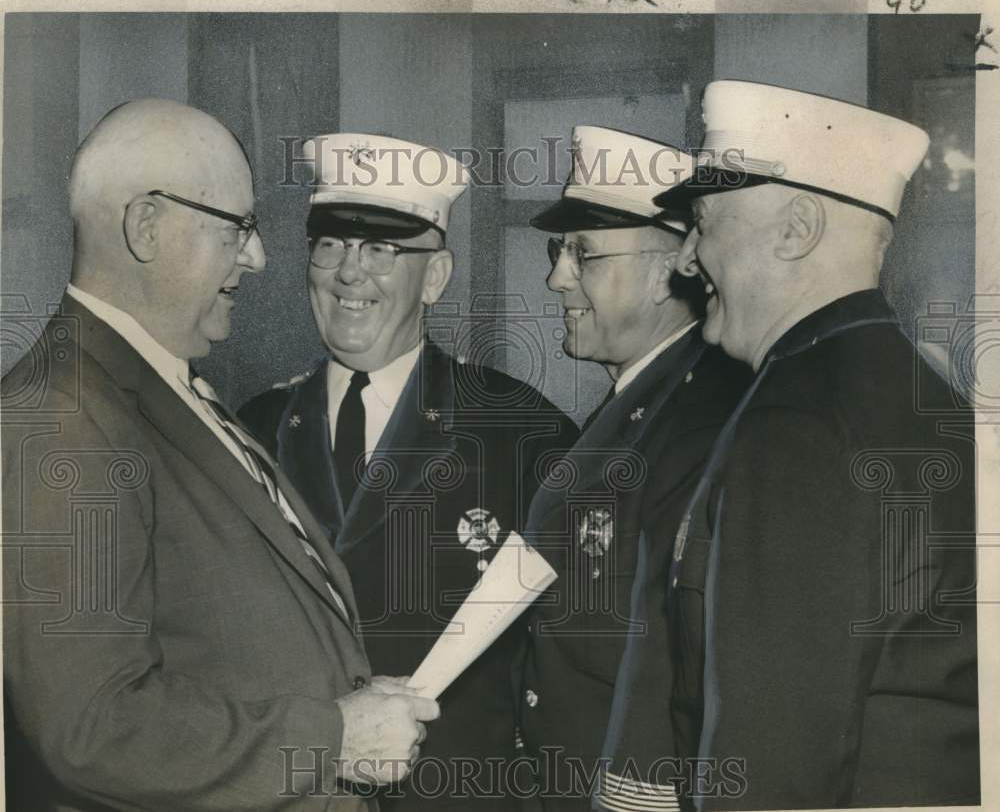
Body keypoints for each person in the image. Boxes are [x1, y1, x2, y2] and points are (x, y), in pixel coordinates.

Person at [2, 100, 438, 812]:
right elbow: (94, 725)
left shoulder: (155, 385)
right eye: (238, 228)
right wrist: (333, 737)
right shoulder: (63, 415)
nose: (259, 257)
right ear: (147, 225)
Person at [629, 80, 978, 810]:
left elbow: (770, 765)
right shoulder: (921, 397)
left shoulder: (797, 425)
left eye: (703, 223)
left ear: (797, 229)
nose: (687, 260)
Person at [238, 132, 579, 810]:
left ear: (436, 277)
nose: (348, 274)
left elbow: (577, 668)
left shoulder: (521, 432)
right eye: (330, 245)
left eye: (382, 250)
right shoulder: (255, 427)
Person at [517, 126, 752, 810]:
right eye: (558, 251)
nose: (556, 276)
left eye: (582, 254)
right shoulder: (638, 401)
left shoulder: (704, 419)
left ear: (668, 269)